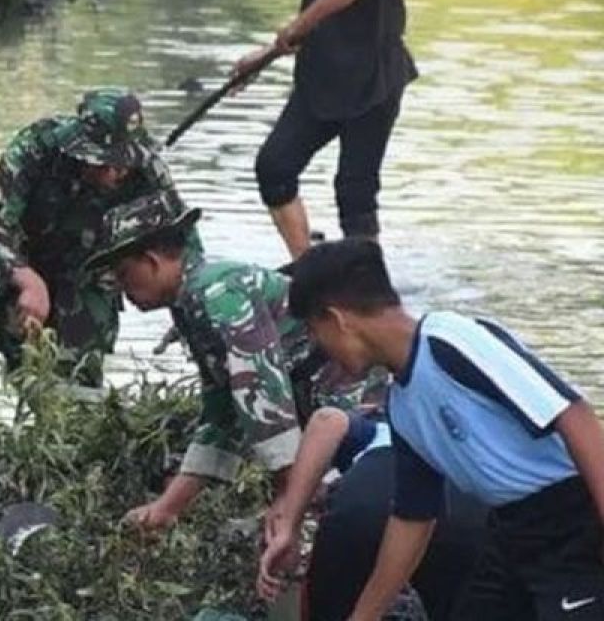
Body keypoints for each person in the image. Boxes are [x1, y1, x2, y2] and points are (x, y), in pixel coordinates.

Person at [288, 239, 604, 620]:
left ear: (336, 319)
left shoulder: (450, 341)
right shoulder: (402, 406)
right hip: (509, 530)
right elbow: (413, 518)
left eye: (314, 332)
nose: (320, 350)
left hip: (576, 512)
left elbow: (576, 418)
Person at [80, 191, 376, 529]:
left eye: (123, 274)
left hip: (362, 406)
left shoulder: (217, 291)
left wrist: (288, 498)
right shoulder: (189, 305)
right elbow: (222, 411)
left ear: (152, 261)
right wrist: (167, 508)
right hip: (325, 412)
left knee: (341, 510)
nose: (122, 289)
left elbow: (260, 387)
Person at [235, 0, 416, 260]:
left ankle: (367, 286)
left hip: (371, 81)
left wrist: (295, 27)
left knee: (355, 190)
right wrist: (263, 57)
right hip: (324, 80)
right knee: (275, 166)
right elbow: (319, 20)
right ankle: (308, 269)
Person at [0, 89, 197, 388]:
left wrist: (190, 311)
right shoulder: (36, 149)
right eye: (102, 164)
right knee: (28, 372)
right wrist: (25, 279)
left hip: (91, 278)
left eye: (122, 163)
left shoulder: (147, 171)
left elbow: (182, 248)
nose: (114, 173)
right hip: (24, 267)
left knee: (82, 379)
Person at [258, 407, 486, 620]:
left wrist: (289, 524)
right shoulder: (466, 434)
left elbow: (326, 420)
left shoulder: (381, 425)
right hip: (466, 506)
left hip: (369, 503)